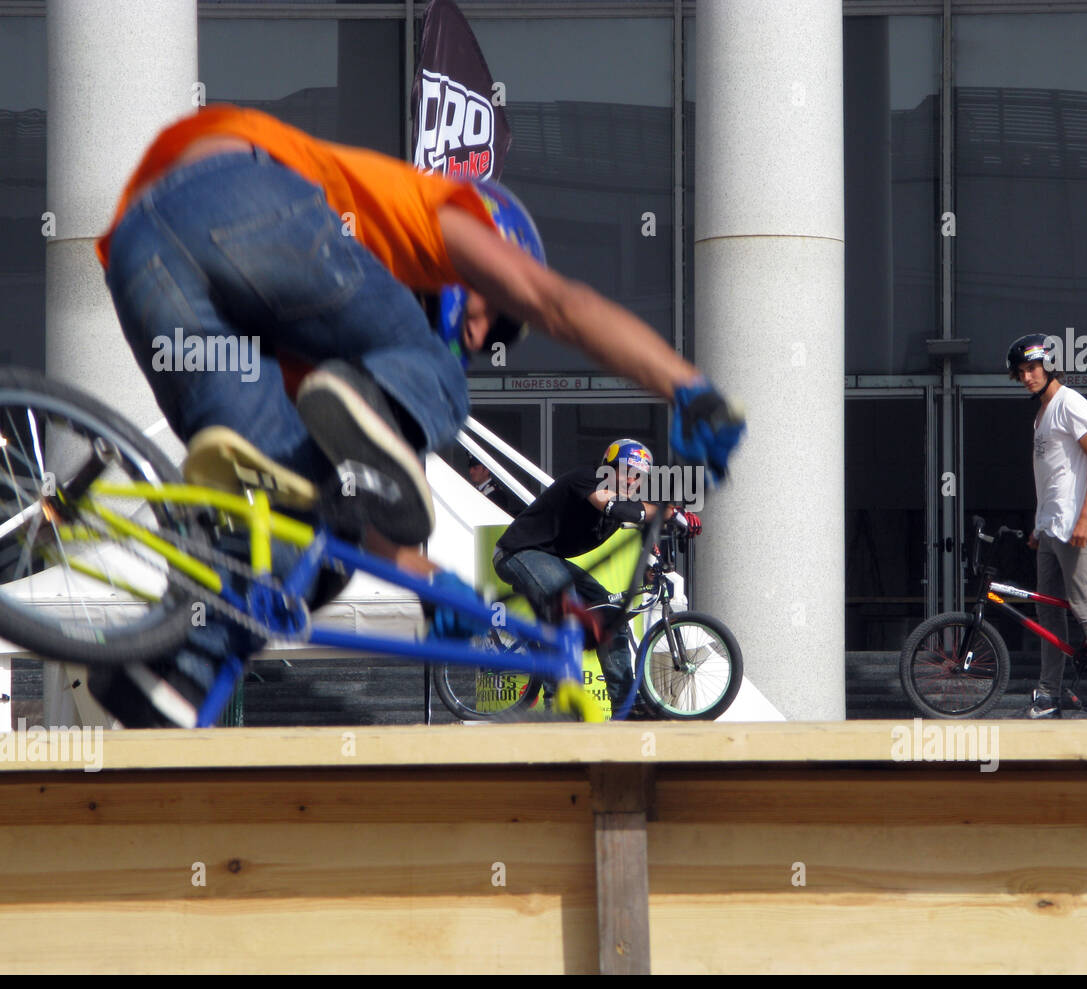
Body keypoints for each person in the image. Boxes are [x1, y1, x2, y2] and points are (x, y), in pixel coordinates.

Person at [82, 105, 744, 727]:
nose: (484, 339)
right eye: (498, 322)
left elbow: (384, 544)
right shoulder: (431, 216)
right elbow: (558, 303)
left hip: (145, 265)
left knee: (293, 533)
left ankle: (170, 670)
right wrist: (688, 388)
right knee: (437, 379)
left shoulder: (311, 346)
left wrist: (443, 592)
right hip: (230, 187)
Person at [493, 439, 701, 719]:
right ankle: (561, 705)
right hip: (516, 553)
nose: (632, 480)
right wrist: (670, 512)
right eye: (626, 471)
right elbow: (617, 508)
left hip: (549, 559)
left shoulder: (626, 503)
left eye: (639, 476)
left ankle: (628, 706)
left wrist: (656, 562)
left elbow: (644, 533)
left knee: (609, 614)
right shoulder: (587, 480)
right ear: (608, 467)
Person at [1007, 334, 1087, 720]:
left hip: (1074, 527)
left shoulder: (1070, 403)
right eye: (1020, 372)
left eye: (1032, 368)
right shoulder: (1042, 413)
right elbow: (1052, 478)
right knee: (1049, 616)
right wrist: (1039, 525)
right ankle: (1048, 693)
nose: (1026, 377)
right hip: (1052, 530)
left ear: (1049, 366)